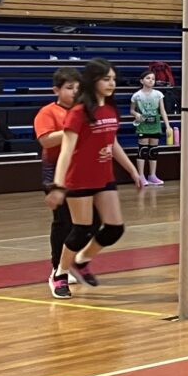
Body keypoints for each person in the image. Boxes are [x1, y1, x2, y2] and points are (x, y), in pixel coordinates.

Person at [52, 58, 141, 296]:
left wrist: (132, 170)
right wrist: (58, 186)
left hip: (104, 178)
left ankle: (81, 261)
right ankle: (60, 274)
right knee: (81, 230)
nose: (112, 83)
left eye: (113, 79)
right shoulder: (78, 112)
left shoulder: (111, 109)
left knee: (114, 228)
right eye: (106, 79)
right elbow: (66, 151)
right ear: (93, 81)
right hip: (79, 179)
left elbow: (113, 143)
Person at [35, 68, 82, 293]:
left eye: (78, 88)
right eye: (69, 88)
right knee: (63, 221)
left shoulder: (84, 111)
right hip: (55, 173)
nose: (75, 92)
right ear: (56, 90)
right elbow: (46, 141)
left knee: (83, 223)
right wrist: (72, 130)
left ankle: (67, 264)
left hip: (81, 172)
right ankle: (57, 269)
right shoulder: (47, 112)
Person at [128, 69, 171, 186]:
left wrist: (168, 126)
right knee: (143, 150)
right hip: (143, 125)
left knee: (153, 150)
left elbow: (162, 111)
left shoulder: (158, 94)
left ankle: (152, 175)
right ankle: (141, 175)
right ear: (142, 81)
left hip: (155, 125)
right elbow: (131, 110)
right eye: (148, 78)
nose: (151, 80)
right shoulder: (137, 95)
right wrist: (136, 114)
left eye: (153, 78)